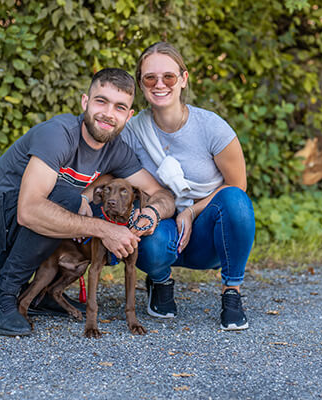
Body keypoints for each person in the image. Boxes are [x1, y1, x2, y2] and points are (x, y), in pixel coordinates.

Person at [0, 68, 175, 337]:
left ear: (128, 116)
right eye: (101, 101)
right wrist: (105, 229)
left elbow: (162, 194)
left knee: (96, 201)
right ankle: (2, 297)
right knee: (68, 199)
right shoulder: (58, 134)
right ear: (85, 102)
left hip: (20, 234)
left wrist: (151, 213)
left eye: (119, 107)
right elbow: (28, 211)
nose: (109, 113)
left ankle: (42, 295)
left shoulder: (116, 150)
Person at [121, 42, 256, 330]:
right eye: (150, 78)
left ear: (183, 79)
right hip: (160, 226)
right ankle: (160, 280)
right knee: (149, 239)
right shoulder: (133, 131)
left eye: (168, 77)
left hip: (207, 232)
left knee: (236, 200)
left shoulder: (211, 127)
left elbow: (238, 185)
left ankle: (231, 292)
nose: (160, 84)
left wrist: (191, 212)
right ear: (141, 84)